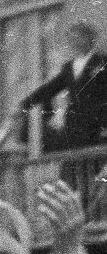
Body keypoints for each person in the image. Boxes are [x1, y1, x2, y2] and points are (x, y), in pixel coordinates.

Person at [20, 20, 107, 154]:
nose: (75, 42)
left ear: (90, 39)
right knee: (73, 167)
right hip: (75, 127)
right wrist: (25, 104)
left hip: (97, 126)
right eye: (72, 38)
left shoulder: (101, 61)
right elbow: (50, 88)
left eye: (79, 37)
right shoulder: (68, 68)